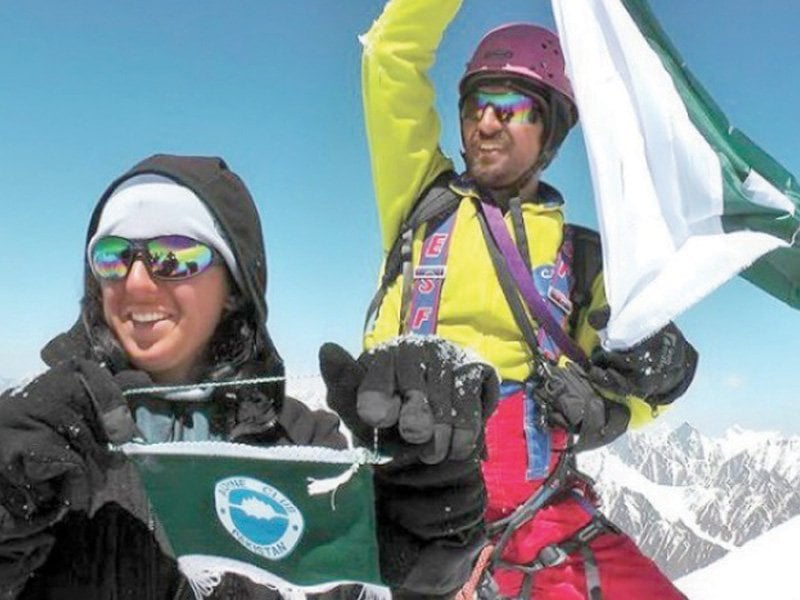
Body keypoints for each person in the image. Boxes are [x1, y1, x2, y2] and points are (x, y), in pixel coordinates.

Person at [0, 153, 499, 599]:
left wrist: (426, 500)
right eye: (112, 256)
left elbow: (390, 582)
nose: (135, 281)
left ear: (236, 285)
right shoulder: (47, 438)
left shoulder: (300, 443)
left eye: (173, 255)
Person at [356, 1, 699, 598]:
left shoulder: (585, 262)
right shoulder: (423, 202)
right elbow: (390, 55)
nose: (486, 124)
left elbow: (648, 381)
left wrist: (617, 409)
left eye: (512, 109)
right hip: (413, 521)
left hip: (545, 525)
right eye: (474, 106)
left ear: (552, 131)